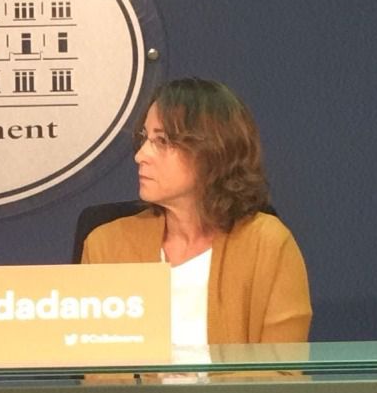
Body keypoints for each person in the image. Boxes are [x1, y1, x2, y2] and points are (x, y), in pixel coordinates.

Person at [81, 78, 311, 345]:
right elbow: (95, 365)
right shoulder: (106, 246)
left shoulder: (268, 245)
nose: (140, 155)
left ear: (212, 151)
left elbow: (282, 368)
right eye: (144, 138)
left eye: (162, 140)